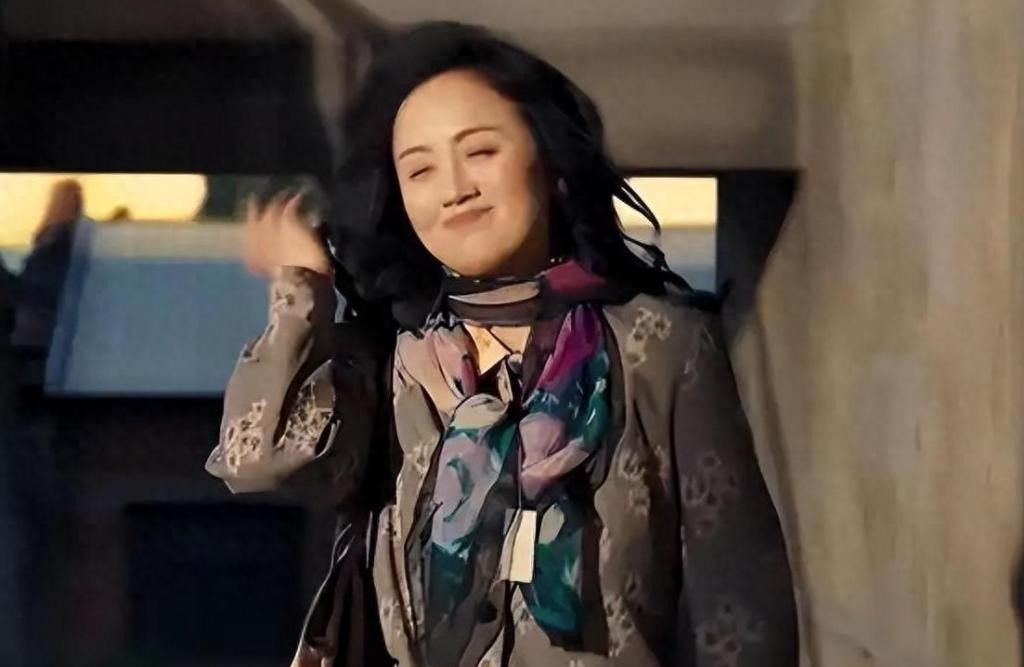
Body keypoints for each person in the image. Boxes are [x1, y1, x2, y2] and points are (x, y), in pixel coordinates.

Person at [206, 21, 797, 667]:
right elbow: (257, 459)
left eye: (481, 152)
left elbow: (738, 610)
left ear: (549, 165)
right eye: (420, 169)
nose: (455, 188)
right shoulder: (387, 364)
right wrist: (302, 293)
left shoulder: (660, 347)